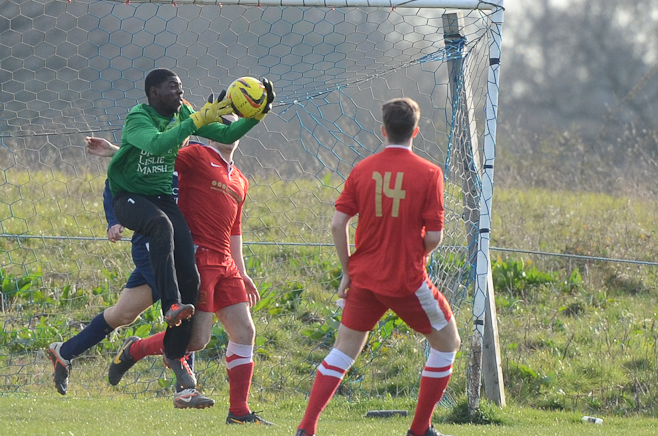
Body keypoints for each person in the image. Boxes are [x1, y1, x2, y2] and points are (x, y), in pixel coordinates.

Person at [91, 114, 274, 425]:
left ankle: (239, 412)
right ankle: (136, 349)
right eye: (222, 123)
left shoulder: (240, 179)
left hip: (227, 264)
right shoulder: (197, 154)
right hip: (199, 258)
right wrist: (114, 151)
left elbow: (235, 230)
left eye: (234, 123)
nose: (229, 129)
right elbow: (156, 160)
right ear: (211, 131)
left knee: (245, 332)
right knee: (197, 340)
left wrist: (242, 272)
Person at [294, 98, 461, 436]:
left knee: (343, 351)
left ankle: (306, 428)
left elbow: (337, 225)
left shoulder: (362, 169)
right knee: (448, 343)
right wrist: (416, 251)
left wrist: (348, 270)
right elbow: (435, 236)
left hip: (365, 278)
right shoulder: (430, 173)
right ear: (415, 131)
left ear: (383, 130)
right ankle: (419, 429)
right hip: (406, 279)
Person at [47, 137, 207, 408]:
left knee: (122, 315)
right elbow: (114, 183)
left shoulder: (195, 157)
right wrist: (113, 220)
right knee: (178, 300)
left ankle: (65, 351)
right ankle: (184, 387)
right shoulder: (152, 152)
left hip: (176, 247)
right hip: (149, 246)